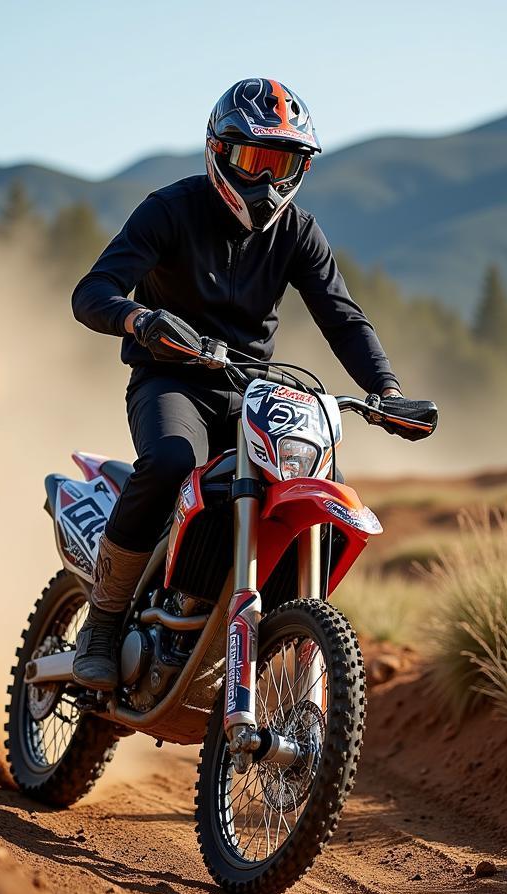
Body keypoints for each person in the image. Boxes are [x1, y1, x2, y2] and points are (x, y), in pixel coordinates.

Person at [70, 77, 403, 689]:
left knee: (310, 482)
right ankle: (104, 619)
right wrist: (140, 319)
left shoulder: (298, 232)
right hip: (170, 379)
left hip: (251, 391)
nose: (269, 181)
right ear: (220, 152)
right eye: (256, 160)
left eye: (285, 164)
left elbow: (342, 317)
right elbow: (91, 293)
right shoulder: (170, 209)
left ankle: (258, 624)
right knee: (173, 461)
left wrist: (386, 391)